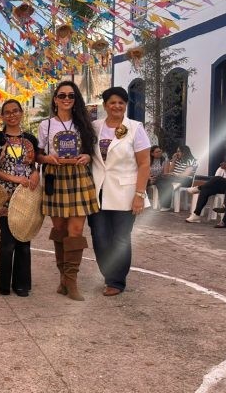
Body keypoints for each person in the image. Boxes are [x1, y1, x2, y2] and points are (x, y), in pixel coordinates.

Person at [37, 81, 99, 301]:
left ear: (75, 99)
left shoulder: (84, 123)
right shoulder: (46, 125)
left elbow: (91, 152)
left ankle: (71, 281)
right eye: (62, 95)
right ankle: (63, 277)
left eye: (71, 96)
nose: (66, 99)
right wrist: (47, 158)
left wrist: (87, 156)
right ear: (55, 99)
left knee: (76, 230)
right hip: (55, 177)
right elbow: (38, 155)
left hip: (79, 177)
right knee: (60, 229)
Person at [88, 87, 151, 296]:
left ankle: (116, 281)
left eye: (121, 103)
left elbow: (144, 163)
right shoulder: (95, 127)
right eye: (112, 102)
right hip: (98, 191)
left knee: (121, 238)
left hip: (125, 192)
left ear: (126, 105)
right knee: (99, 236)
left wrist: (139, 195)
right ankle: (108, 274)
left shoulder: (135, 128)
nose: (117, 106)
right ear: (105, 105)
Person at [0, 99, 40, 297]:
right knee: (8, 239)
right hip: (4, 193)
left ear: (21, 113)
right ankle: (4, 283)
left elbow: (34, 165)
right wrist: (15, 179)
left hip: (26, 194)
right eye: (7, 112)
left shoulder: (30, 139)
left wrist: (35, 174)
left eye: (15, 111)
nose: (12, 115)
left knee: (24, 237)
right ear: (2, 116)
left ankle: (22, 284)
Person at [185, 143, 226, 223]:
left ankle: (198, 188)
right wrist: (225, 167)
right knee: (206, 190)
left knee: (217, 178)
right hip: (225, 183)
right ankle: (196, 215)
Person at [155, 145, 197, 211]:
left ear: (184, 152)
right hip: (174, 178)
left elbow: (186, 174)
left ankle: (166, 205)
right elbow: (170, 171)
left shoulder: (191, 160)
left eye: (179, 151)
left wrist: (175, 174)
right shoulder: (177, 160)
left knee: (163, 180)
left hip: (186, 180)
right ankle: (165, 204)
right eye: (177, 151)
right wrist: (174, 161)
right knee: (159, 179)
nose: (177, 153)